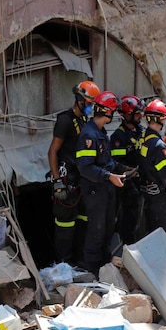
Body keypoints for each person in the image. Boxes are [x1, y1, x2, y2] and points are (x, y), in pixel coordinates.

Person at [49, 80, 99, 264]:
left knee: (83, 220)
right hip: (65, 178)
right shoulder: (65, 120)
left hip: (79, 178)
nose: (90, 107)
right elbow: (53, 151)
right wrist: (57, 181)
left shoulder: (83, 120)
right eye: (88, 103)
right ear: (79, 99)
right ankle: (63, 262)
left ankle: (79, 260)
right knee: (65, 223)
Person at [76, 91, 126, 274]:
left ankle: (105, 264)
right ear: (107, 112)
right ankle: (93, 269)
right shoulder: (89, 136)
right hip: (95, 189)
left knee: (107, 227)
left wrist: (121, 169)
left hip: (105, 187)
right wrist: (108, 176)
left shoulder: (101, 132)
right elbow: (85, 167)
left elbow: (106, 160)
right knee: (96, 229)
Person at [139, 99, 166, 239]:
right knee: (159, 230)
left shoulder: (143, 139)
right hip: (159, 194)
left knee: (150, 226)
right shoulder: (159, 146)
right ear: (160, 120)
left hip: (148, 190)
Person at [110, 94, 144, 245]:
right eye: (137, 114)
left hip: (141, 181)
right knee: (129, 218)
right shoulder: (119, 137)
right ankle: (128, 246)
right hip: (127, 185)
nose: (140, 116)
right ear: (127, 115)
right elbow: (116, 163)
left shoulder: (141, 131)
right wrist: (131, 172)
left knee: (140, 216)